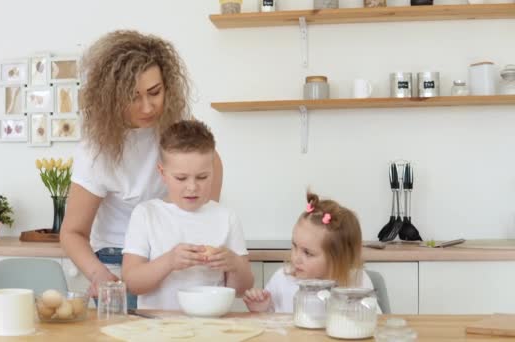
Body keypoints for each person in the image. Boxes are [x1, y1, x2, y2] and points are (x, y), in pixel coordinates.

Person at [59, 31, 223, 307]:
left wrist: (202, 233)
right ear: (110, 97)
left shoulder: (178, 126)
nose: (148, 107)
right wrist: (101, 276)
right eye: (133, 97)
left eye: (154, 92)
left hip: (175, 258)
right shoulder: (96, 150)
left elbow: (212, 171)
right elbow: (72, 232)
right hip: (118, 260)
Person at [121, 120, 253, 310]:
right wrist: (169, 261)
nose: (192, 187)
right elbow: (132, 283)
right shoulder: (146, 214)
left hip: (212, 327)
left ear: (213, 172)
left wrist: (234, 265)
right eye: (181, 178)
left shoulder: (226, 217)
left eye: (202, 177)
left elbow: (241, 289)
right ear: (162, 172)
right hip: (157, 328)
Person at [243, 191, 374, 313]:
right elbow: (271, 328)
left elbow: (374, 322)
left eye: (308, 253)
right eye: (294, 246)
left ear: (339, 258)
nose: (296, 258)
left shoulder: (357, 281)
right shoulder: (282, 280)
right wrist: (262, 309)